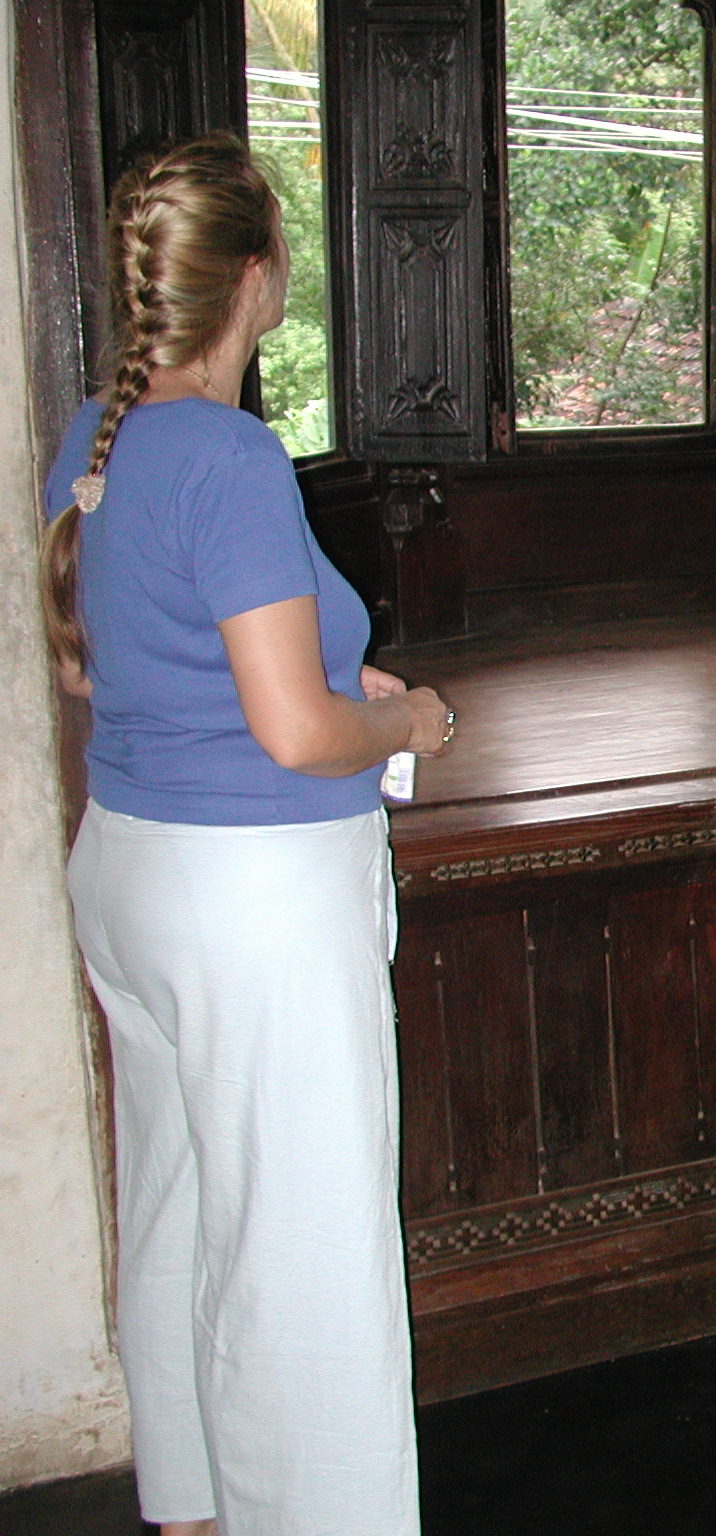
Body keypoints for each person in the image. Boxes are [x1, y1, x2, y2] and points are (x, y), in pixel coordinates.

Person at [39, 134, 454, 1536]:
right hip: (255, 902)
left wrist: (330, 686)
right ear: (258, 279)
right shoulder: (229, 454)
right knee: (302, 1252)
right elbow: (287, 734)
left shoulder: (99, 440)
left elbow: (98, 670)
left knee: (178, 1202)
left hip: (132, 871)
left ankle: (196, 1506)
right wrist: (407, 721)